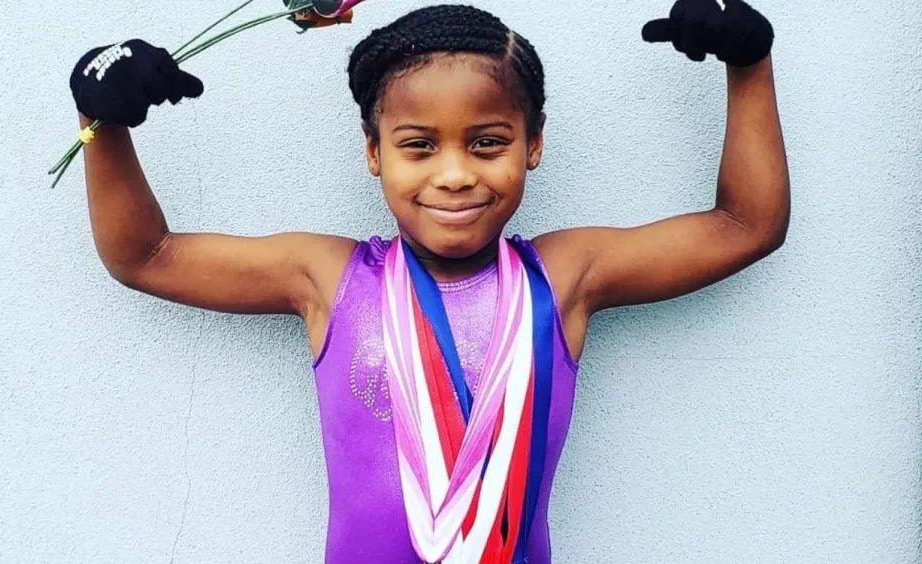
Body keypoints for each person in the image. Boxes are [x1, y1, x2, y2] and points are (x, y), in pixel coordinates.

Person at [69, 1, 789, 562]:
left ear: (532, 145)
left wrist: (748, 64)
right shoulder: (328, 278)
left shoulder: (564, 276)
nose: (454, 173)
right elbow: (146, 255)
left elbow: (743, 226)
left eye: (487, 142)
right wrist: (102, 125)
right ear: (373, 153)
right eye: (417, 145)